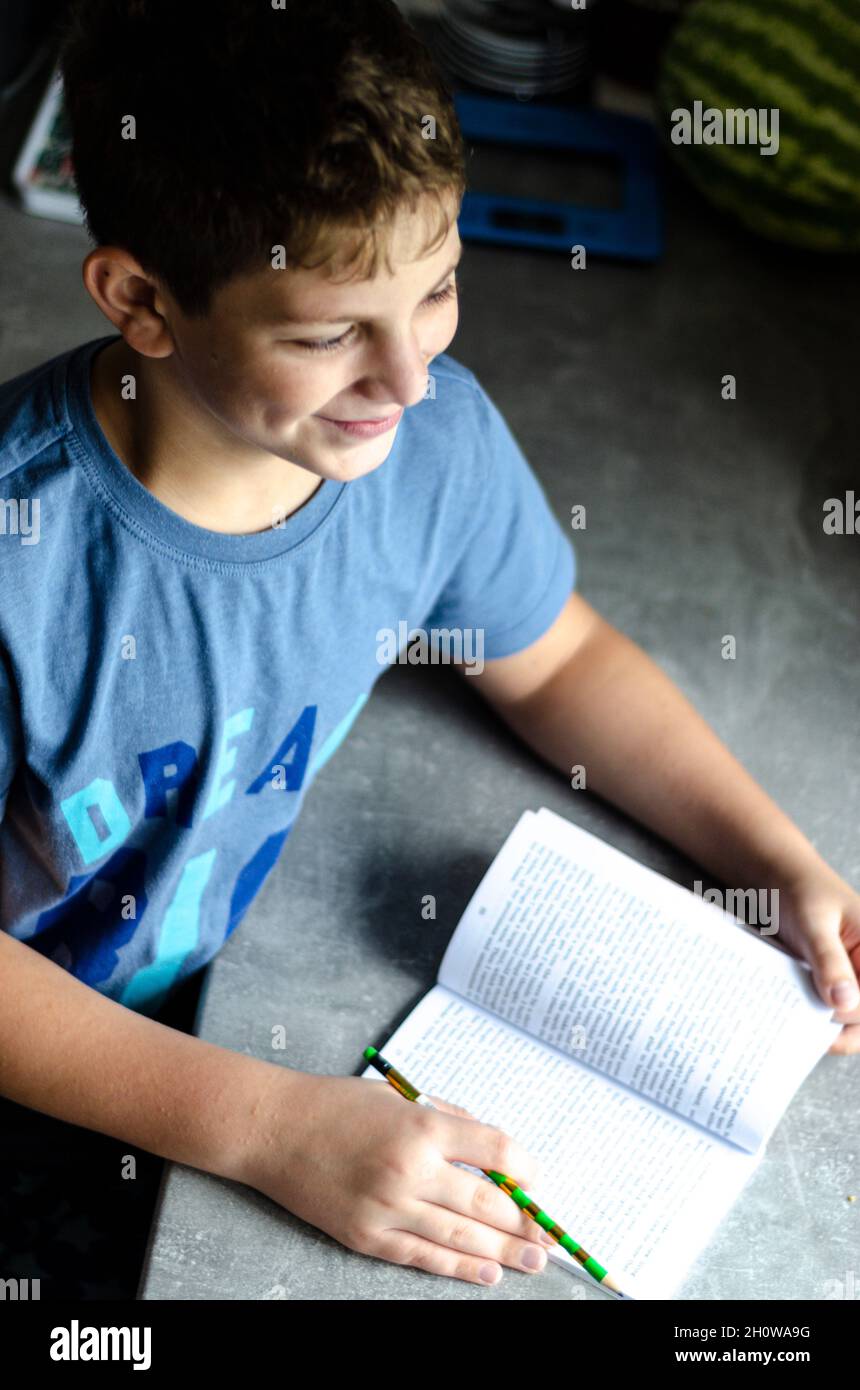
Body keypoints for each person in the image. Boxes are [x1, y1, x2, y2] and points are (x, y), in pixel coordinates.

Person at [1, 0, 857, 1299]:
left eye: (441, 285)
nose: (406, 377)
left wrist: (775, 858)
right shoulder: (24, 548)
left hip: (159, 1024)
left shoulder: (428, 445)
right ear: (143, 299)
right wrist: (270, 1125)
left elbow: (558, 663)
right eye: (327, 332)